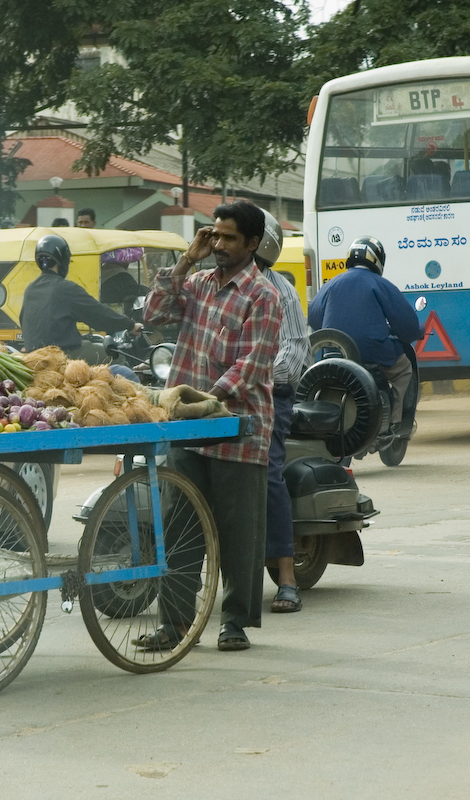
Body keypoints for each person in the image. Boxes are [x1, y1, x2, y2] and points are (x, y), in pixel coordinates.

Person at [139, 200, 282, 652]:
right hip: (187, 431)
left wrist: (207, 400)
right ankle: (174, 625)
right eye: (214, 236)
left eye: (229, 238)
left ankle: (234, 622)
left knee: (238, 535)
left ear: (253, 243)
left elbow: (252, 365)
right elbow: (154, 313)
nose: (218, 245)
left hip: (238, 430)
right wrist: (186, 258)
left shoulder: (263, 296)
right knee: (178, 528)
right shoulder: (198, 284)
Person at [256, 210, 312, 614]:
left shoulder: (282, 292)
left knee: (269, 474)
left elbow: (294, 353)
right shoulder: (208, 286)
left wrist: (251, 376)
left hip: (268, 395)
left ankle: (286, 576)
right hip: (215, 397)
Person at [308, 235, 423, 429]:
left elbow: (313, 319)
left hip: (333, 354)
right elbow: (407, 324)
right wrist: (417, 331)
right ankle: (395, 423)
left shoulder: (330, 284)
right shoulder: (380, 284)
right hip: (373, 354)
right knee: (404, 371)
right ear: (377, 260)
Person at [20, 233, 143, 363]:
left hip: (34, 356)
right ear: (63, 260)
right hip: (63, 353)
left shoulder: (30, 289)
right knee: (117, 357)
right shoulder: (64, 288)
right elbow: (97, 314)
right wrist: (130, 325)